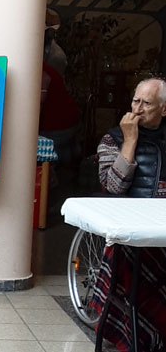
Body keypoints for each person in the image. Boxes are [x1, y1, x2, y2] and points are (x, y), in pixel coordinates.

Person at [90, 78, 166, 351]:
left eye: (147, 103)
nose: (139, 108)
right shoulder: (113, 138)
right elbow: (113, 186)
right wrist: (130, 141)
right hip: (130, 228)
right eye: (136, 100)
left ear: (164, 109)